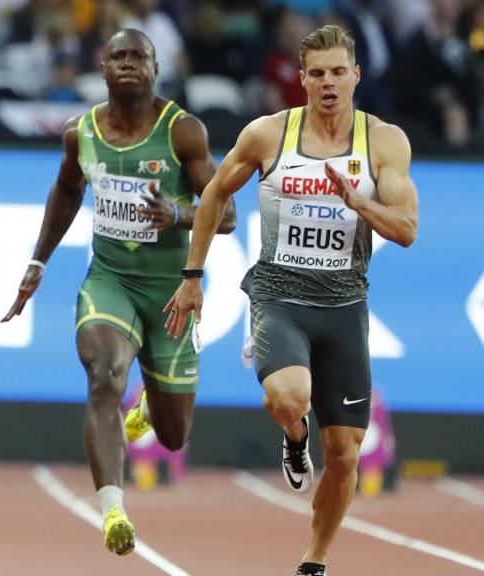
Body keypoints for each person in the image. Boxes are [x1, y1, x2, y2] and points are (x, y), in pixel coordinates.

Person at [164, 25, 418, 576]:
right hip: (280, 292)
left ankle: (314, 560)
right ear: (301, 79)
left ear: (356, 75)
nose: (329, 83)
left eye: (338, 72)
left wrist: (358, 203)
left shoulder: (384, 142)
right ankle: (294, 436)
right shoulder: (268, 135)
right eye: (318, 74)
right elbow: (213, 195)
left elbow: (406, 229)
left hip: (346, 303)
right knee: (288, 395)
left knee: (347, 454)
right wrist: (192, 275)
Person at [2, 29, 236, 556]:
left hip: (171, 291)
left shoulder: (183, 133)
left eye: (139, 57)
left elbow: (229, 213)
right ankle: (113, 511)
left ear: (156, 69)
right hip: (110, 280)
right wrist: (38, 261)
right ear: (102, 68)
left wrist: (176, 214)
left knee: (174, 436)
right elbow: (66, 190)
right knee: (104, 376)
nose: (129, 64)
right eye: (119, 56)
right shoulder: (79, 133)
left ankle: (152, 402)